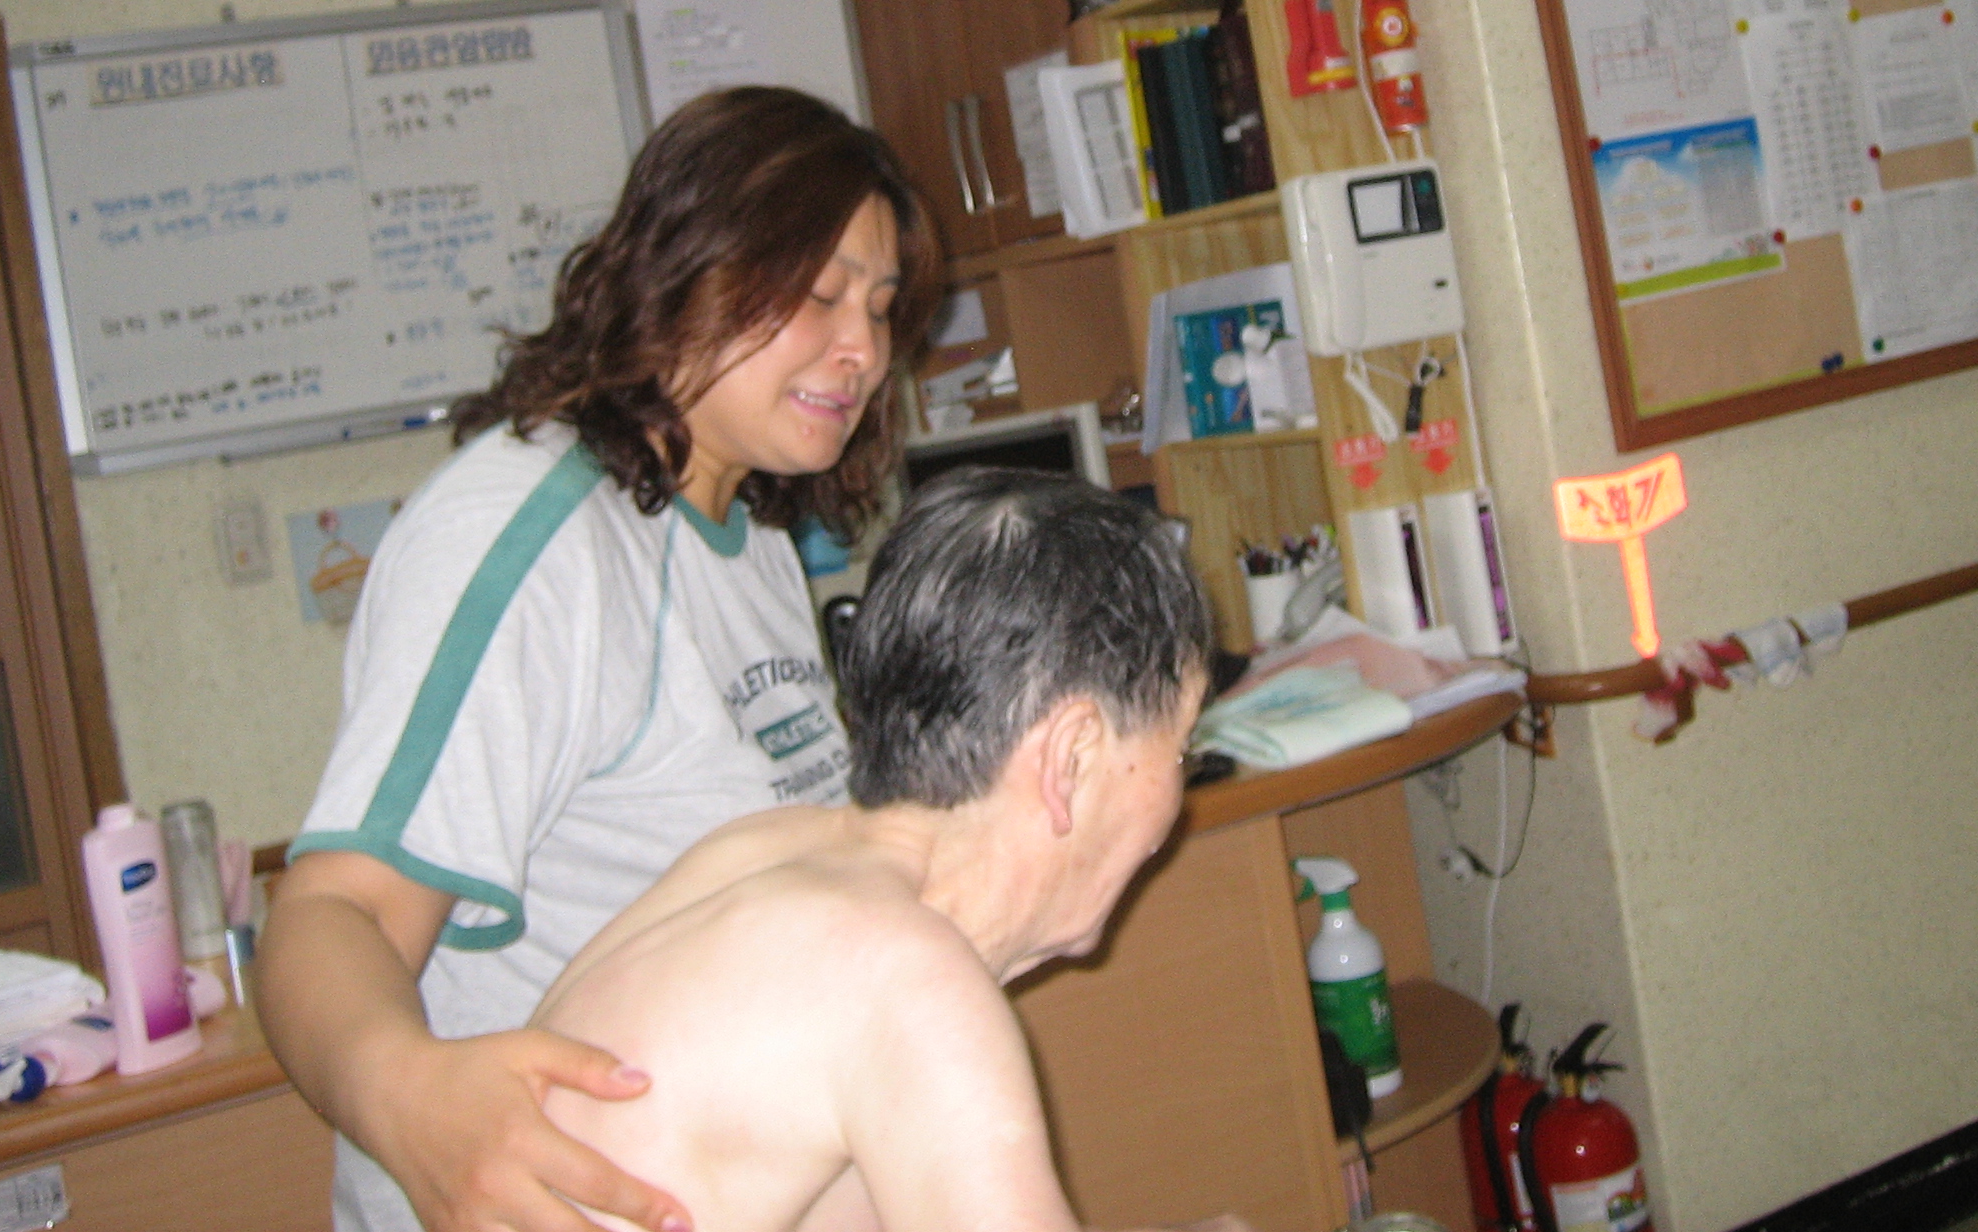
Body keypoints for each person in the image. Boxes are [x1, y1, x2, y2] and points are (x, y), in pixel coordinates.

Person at [258, 86, 946, 1232]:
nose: (864, 351)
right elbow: (336, 913)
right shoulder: (532, 536)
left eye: (880, 309)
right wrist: (408, 1096)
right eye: (820, 296)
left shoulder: (749, 537)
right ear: (689, 271)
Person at [529, 468, 1251, 1232]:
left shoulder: (757, 851)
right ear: (1069, 760)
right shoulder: (907, 984)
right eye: (1180, 749)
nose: (1176, 796)